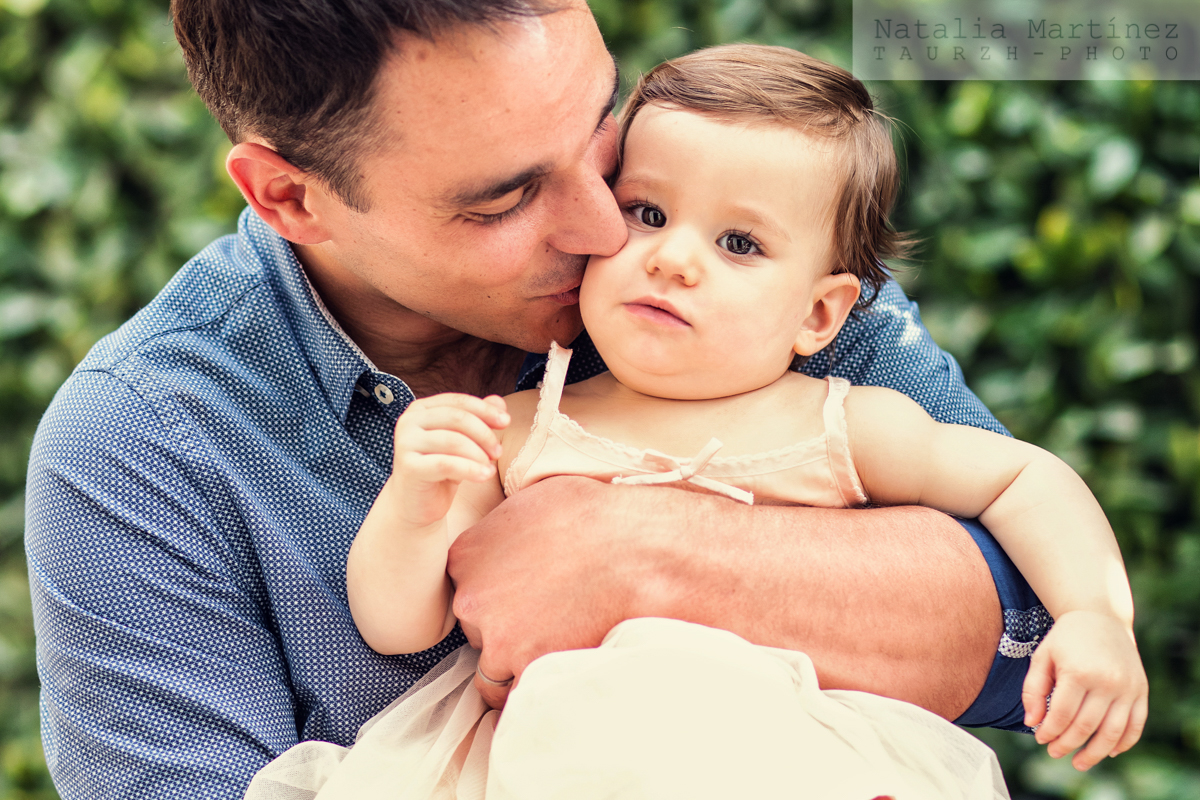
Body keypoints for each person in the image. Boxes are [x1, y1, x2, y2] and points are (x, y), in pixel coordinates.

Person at [25, 1, 1063, 797]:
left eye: (599, 122)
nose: (610, 227)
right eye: (507, 197)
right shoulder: (142, 444)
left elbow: (1035, 627)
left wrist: (654, 556)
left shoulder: (736, 265)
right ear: (291, 196)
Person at [264, 44, 1142, 798]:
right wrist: (416, 502)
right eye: (647, 213)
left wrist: (1094, 616)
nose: (674, 258)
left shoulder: (842, 424)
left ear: (820, 315)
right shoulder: (523, 426)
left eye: (738, 244)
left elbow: (1022, 476)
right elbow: (398, 625)